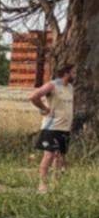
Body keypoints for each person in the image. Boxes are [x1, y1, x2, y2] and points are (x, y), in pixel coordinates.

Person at [29, 63, 75, 194]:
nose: (75, 75)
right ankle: (42, 185)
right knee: (49, 155)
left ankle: (56, 185)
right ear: (66, 73)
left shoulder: (70, 88)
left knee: (60, 157)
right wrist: (44, 108)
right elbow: (33, 96)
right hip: (52, 127)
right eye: (73, 72)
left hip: (65, 128)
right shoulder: (53, 85)